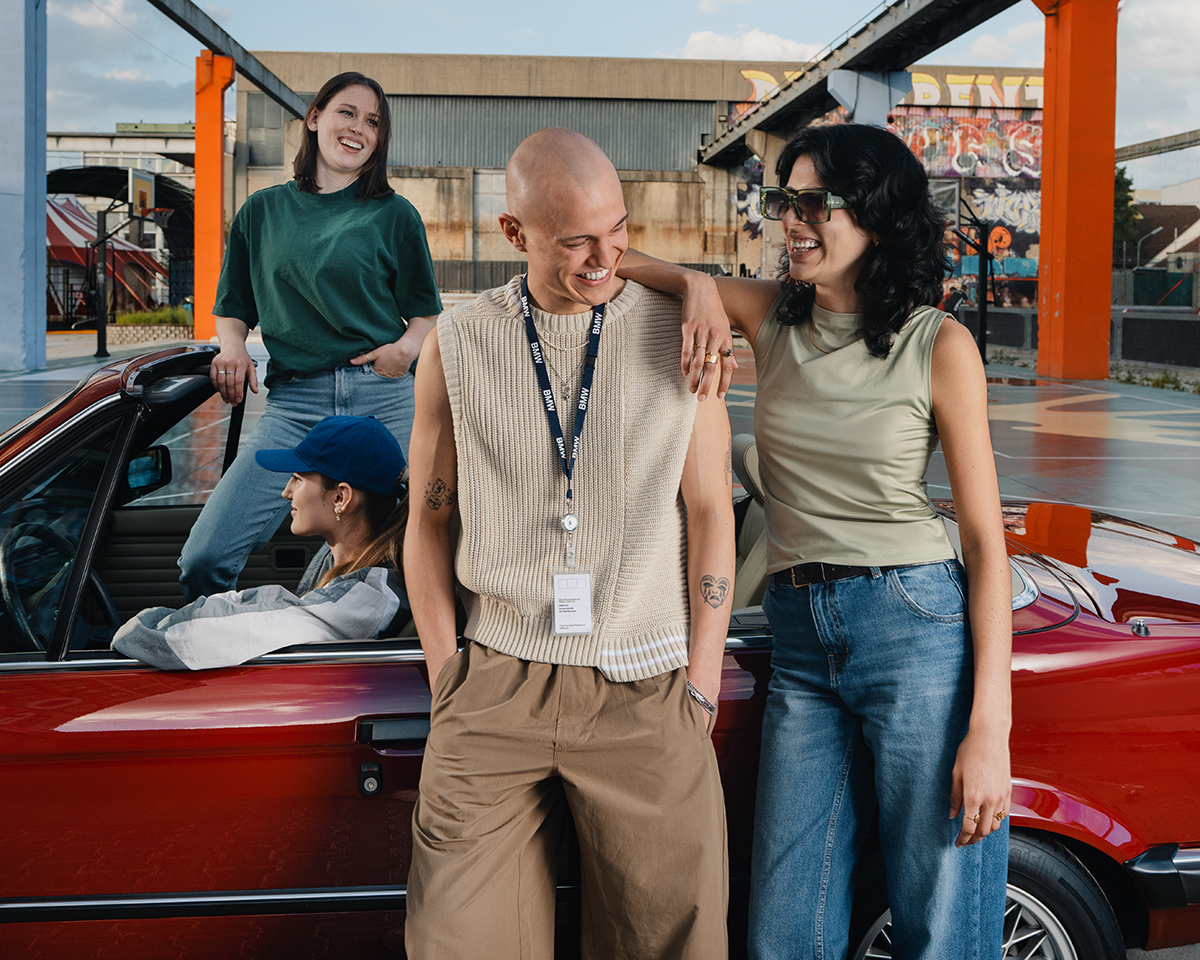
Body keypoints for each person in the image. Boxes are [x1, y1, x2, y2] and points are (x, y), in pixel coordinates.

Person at [619, 123, 1012, 959]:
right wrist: (694, 285)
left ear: (874, 214)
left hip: (913, 626)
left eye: (811, 203)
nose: (788, 220)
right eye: (781, 201)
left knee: (938, 915)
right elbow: (618, 266)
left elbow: (984, 540)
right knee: (785, 924)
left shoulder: (937, 345)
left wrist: (990, 730)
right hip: (800, 637)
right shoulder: (774, 319)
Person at [403, 128, 735, 959]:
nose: (606, 256)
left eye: (618, 229)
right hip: (493, 686)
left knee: (675, 939)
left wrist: (700, 676)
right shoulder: (458, 341)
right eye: (576, 240)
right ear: (515, 235)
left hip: (646, 682)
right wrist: (448, 674)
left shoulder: (682, 333)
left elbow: (710, 512)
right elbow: (428, 519)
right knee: (455, 939)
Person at [177, 71, 443, 603]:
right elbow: (232, 306)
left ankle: (388, 668)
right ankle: (214, 667)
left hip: (383, 400)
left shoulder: (395, 216)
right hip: (297, 405)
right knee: (204, 557)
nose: (359, 128)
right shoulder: (263, 212)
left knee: (424, 548)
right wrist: (231, 347)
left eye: (373, 122)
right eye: (347, 112)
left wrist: (404, 351)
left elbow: (426, 315)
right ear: (315, 118)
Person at [114, 415, 410, 670]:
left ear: (340, 497)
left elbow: (210, 635)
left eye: (297, 478)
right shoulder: (342, 558)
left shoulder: (367, 597)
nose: (285, 492)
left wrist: (134, 631)